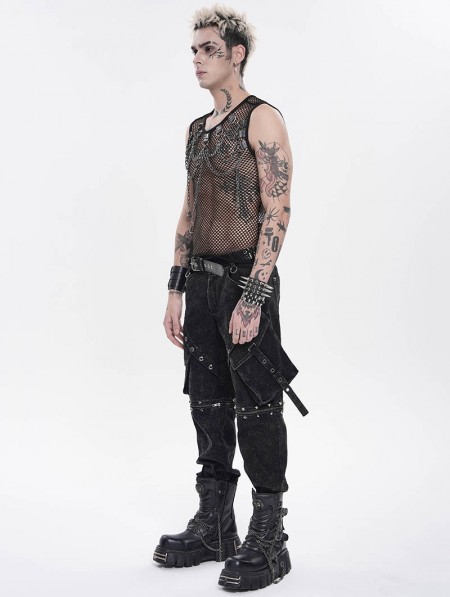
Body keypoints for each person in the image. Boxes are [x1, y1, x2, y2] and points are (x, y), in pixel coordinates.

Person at [152, 4, 308, 591]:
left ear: (236, 54)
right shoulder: (197, 130)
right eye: (194, 50)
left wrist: (255, 294)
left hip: (246, 280)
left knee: (258, 404)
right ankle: (216, 524)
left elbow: (278, 209)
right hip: (200, 281)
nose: (197, 59)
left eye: (209, 49)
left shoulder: (261, 118)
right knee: (208, 402)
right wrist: (175, 288)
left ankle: (270, 537)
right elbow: (189, 214)